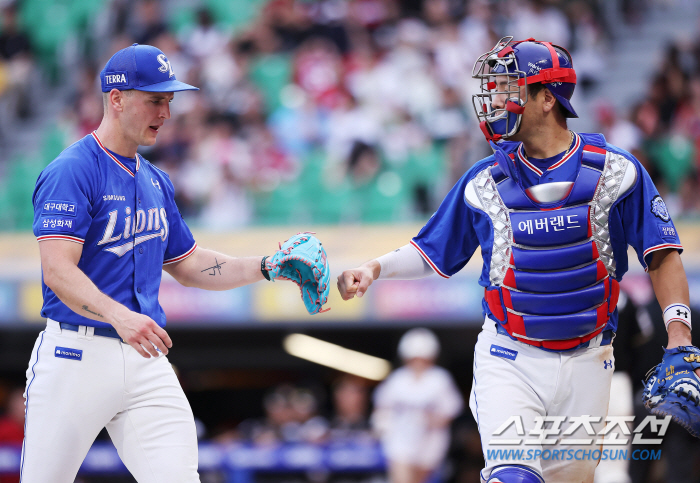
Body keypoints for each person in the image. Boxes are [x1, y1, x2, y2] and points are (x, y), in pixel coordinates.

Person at [337, 37, 696, 483]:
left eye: (508, 88)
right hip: (509, 356)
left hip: (589, 361)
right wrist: (374, 268)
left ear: (548, 98)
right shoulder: (483, 180)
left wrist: (680, 337)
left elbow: (662, 255)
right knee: (514, 477)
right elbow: (430, 251)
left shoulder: (617, 171)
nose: (493, 101)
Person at [23, 43, 307, 483]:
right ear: (117, 99)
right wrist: (120, 316)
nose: (166, 112)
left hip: (145, 360)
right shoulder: (73, 169)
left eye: (169, 100)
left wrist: (268, 266)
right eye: (155, 100)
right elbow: (58, 271)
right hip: (75, 354)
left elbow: (189, 264)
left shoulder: (155, 179)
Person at [371, 328, 463, 483]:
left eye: (423, 358)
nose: (418, 362)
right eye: (414, 358)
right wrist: (381, 426)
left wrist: (432, 420)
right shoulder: (397, 379)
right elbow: (381, 407)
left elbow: (451, 410)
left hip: (430, 441)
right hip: (400, 438)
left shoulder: (440, 378)